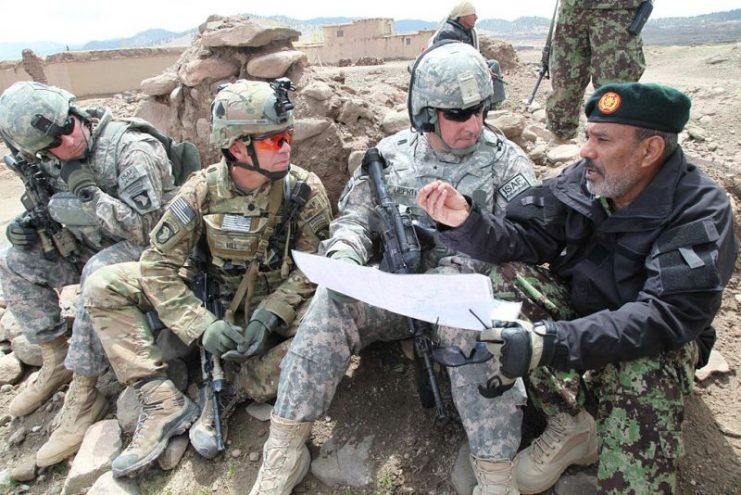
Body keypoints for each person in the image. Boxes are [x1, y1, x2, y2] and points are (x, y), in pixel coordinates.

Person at [416, 82, 738, 494]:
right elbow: (526, 237)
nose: (586, 149)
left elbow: (667, 317)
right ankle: (572, 421)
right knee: (506, 277)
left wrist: (550, 342)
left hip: (650, 341)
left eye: (602, 139)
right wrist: (466, 222)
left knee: (648, 366)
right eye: (588, 135)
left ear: (650, 150)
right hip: (584, 323)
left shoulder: (699, 210)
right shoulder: (588, 178)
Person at [250, 42, 538, 495]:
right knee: (331, 302)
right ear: (426, 113)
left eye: (480, 110)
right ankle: (285, 445)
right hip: (395, 293)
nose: (474, 124)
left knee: (475, 328)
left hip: (463, 302)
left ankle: (496, 474)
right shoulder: (390, 155)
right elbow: (355, 220)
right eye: (458, 114)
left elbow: (525, 246)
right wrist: (343, 257)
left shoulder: (507, 164)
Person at [83, 79, 333, 477]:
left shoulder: (303, 189)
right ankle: (159, 397)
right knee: (103, 285)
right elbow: (157, 266)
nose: (287, 147)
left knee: (330, 321)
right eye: (271, 141)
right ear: (236, 147)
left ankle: (244, 382)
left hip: (275, 306)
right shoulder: (201, 192)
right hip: (212, 297)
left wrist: (272, 314)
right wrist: (200, 325)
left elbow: (317, 265)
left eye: (287, 135)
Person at [0, 81, 181, 467]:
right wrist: (29, 225)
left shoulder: (130, 147)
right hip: (93, 243)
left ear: (76, 112)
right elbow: (51, 203)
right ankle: (54, 354)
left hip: (151, 252)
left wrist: (90, 196)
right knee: (11, 259)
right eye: (51, 144)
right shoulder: (48, 157)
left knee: (97, 272)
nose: (65, 143)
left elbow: (149, 227)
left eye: (67, 127)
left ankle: (85, 390)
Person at [546, 0, 648, 141]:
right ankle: (560, 144)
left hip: (617, 11)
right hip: (572, 10)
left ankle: (610, 144)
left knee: (614, 89)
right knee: (564, 83)